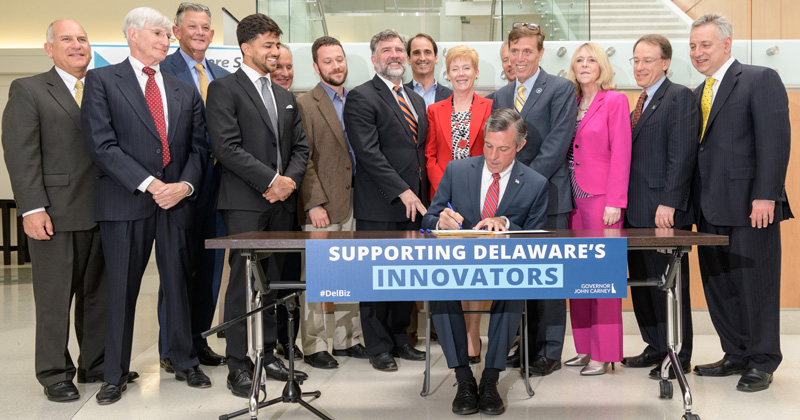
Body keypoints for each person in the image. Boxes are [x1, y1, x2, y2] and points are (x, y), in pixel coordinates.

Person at [81, 7, 212, 404]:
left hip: (176, 204)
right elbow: (101, 145)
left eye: (166, 35)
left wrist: (185, 186)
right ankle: (114, 374)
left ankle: (184, 361)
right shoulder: (102, 80)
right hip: (126, 201)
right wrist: (154, 184)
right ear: (133, 35)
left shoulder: (182, 88)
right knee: (121, 290)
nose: (166, 39)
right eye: (157, 33)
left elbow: (199, 146)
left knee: (178, 284)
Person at [1, 19, 115, 402]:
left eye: (83, 38)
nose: (77, 44)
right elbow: (21, 154)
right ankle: (54, 373)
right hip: (56, 213)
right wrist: (32, 208)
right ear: (49, 48)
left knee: (98, 295)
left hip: (103, 210)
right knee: (54, 298)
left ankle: (95, 364)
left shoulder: (102, 88)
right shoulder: (28, 89)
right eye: (66, 39)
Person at [205, 13, 310, 398]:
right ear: (246, 48)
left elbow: (301, 148)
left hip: (282, 203)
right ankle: (238, 363)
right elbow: (226, 147)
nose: (275, 51)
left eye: (277, 44)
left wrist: (288, 183)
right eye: (268, 45)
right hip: (246, 202)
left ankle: (266, 354)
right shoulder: (223, 89)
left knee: (274, 284)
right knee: (241, 285)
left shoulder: (285, 96)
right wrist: (270, 180)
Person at [689, 14, 792, 392]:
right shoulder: (700, 90)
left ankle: (762, 360)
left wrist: (767, 194)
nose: (698, 52)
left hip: (752, 206)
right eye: (693, 46)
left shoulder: (758, 78)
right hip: (709, 205)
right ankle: (735, 352)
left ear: (727, 44)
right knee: (720, 285)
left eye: (706, 44)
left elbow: (774, 140)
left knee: (756, 284)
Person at [421, 108, 549, 415]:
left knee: (513, 290)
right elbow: (427, 219)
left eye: (503, 149)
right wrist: (441, 221)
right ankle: (464, 378)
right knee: (439, 289)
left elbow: (536, 237)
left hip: (505, 267)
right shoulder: (457, 170)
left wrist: (505, 223)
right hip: (458, 265)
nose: (493, 156)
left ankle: (490, 379)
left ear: (520, 145)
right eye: (488, 146)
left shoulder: (535, 183)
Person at [491, 22, 577, 376]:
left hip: (549, 197)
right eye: (515, 51)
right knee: (520, 277)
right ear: (507, 54)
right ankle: (524, 345)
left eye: (528, 50)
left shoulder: (561, 89)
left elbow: (558, 144)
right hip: (511, 204)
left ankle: (550, 351)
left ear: (541, 53)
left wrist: (523, 184)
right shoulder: (500, 95)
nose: (521, 57)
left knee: (550, 278)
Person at [343, 29, 428, 372]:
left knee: (406, 277)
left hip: (415, 205)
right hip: (380, 203)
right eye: (386, 50)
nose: (394, 55)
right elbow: (368, 153)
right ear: (375, 57)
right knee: (376, 278)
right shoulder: (362, 97)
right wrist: (400, 189)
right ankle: (378, 346)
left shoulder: (415, 99)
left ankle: (400, 339)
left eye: (399, 50)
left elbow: (416, 151)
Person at [158, 1, 228, 373]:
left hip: (218, 182)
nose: (200, 33)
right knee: (177, 266)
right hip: (179, 182)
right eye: (193, 27)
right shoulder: (161, 70)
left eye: (205, 28)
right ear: (177, 31)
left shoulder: (218, 74)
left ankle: (198, 339)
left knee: (210, 266)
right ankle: (172, 347)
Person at [623, 34, 698, 379]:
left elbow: (681, 155)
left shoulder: (678, 96)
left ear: (665, 63)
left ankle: (677, 354)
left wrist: (670, 201)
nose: (640, 67)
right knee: (644, 282)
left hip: (662, 210)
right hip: (635, 212)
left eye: (648, 60)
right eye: (636, 60)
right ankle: (655, 346)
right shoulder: (636, 102)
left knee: (669, 284)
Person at [296, 35, 368, 369]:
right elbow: (303, 159)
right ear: (315, 66)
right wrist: (313, 203)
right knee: (317, 278)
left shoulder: (356, 100)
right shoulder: (306, 104)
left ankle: (347, 339)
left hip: (354, 199)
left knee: (348, 274)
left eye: (339, 59)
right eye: (328, 61)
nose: (336, 66)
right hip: (322, 206)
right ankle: (314, 345)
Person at [562, 42, 631, 376]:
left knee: (602, 280)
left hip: (602, 199)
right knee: (578, 278)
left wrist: (616, 201)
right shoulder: (572, 102)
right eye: (579, 60)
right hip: (571, 200)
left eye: (592, 60)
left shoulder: (615, 100)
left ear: (602, 66)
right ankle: (584, 348)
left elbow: (621, 152)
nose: (585, 64)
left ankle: (605, 353)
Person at [425, 45, 492, 364]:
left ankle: (472, 334)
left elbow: (496, 153)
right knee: (453, 272)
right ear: (447, 73)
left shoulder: (491, 106)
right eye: (456, 68)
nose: (461, 74)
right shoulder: (435, 110)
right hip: (447, 204)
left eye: (467, 68)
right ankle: (454, 331)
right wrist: (445, 193)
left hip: (482, 199)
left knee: (477, 272)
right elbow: (432, 155)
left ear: (476, 72)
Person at [404, 33, 452, 108]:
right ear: (408, 59)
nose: (422, 58)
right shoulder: (400, 95)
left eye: (427, 52)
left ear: (436, 58)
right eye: (416, 53)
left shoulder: (451, 96)